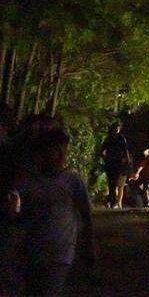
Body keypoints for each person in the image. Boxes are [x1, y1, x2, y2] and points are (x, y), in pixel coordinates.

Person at [10, 126, 94, 296]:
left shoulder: (73, 180)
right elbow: (17, 214)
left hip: (60, 254)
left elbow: (86, 214)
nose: (62, 155)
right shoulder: (29, 181)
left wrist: (89, 245)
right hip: (32, 251)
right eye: (56, 150)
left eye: (64, 150)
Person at [99, 123, 132, 209]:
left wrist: (126, 160)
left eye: (118, 129)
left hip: (118, 163)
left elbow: (125, 150)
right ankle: (111, 200)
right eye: (116, 128)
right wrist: (105, 158)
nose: (117, 130)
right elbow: (101, 150)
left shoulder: (121, 138)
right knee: (111, 183)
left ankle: (112, 200)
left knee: (115, 183)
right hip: (111, 163)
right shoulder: (109, 138)